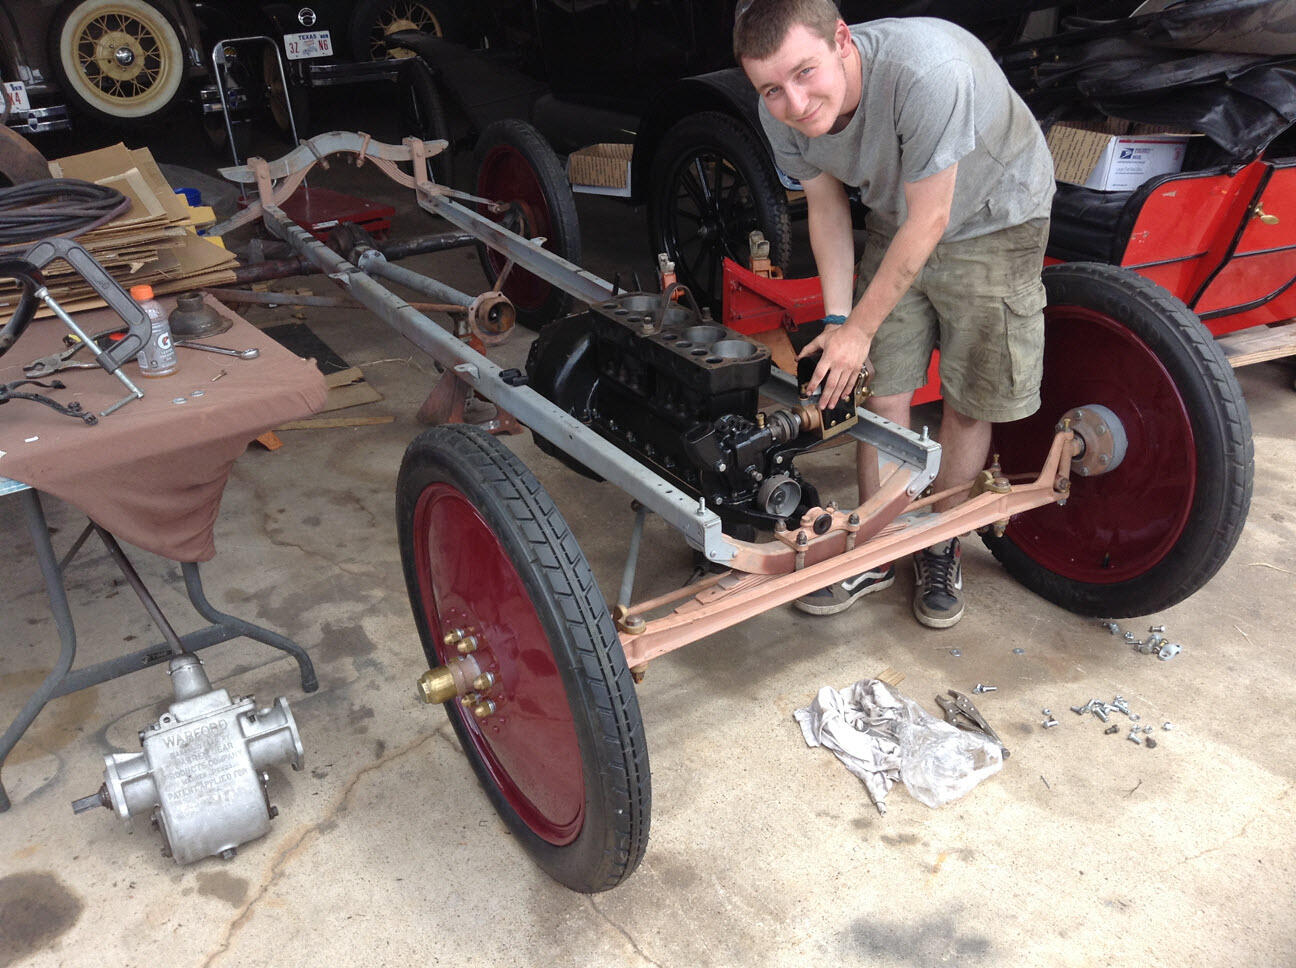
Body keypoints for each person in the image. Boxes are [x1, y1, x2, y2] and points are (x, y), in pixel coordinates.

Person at [735, 0, 1055, 628]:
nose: (794, 104)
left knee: (968, 401)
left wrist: (860, 328)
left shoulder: (927, 72)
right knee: (880, 394)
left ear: (842, 41)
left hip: (995, 217)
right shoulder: (778, 111)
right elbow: (825, 206)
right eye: (772, 88)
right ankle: (874, 544)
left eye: (805, 73)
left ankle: (939, 543)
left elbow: (933, 217)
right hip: (897, 219)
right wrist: (837, 324)